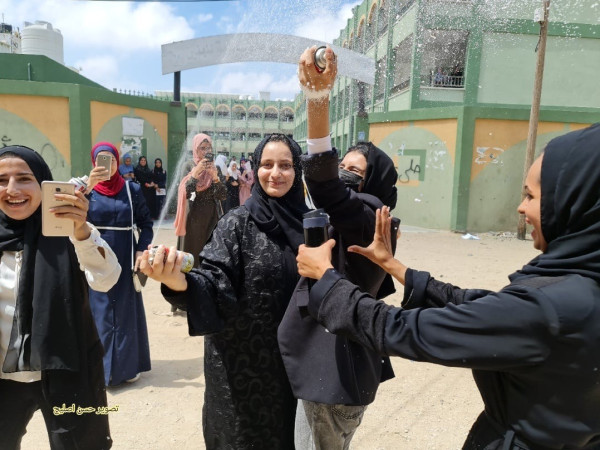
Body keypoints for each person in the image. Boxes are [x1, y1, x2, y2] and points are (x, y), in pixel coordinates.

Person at [296, 124, 600, 449]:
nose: (521, 208)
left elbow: (401, 328)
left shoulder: (551, 309)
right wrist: (394, 266)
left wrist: (326, 280)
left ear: (574, 202)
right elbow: (476, 304)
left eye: (531, 195)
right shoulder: (578, 287)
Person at [139, 133, 309, 449]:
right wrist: (179, 282)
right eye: (267, 164)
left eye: (285, 165)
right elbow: (214, 281)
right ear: (256, 168)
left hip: (295, 368)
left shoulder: (311, 226)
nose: (275, 173)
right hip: (242, 371)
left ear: (297, 170)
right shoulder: (236, 224)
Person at [278, 46, 398, 450]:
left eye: (353, 171)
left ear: (372, 183)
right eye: (341, 166)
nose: (344, 174)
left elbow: (326, 185)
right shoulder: (365, 224)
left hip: (332, 378)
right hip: (338, 376)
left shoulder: (368, 214)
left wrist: (317, 100)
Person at [0, 145, 121, 449]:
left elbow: (106, 279)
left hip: (68, 370)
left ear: (43, 183)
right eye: (1, 180)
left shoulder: (68, 230)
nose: (12, 189)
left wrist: (81, 231)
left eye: (24, 178)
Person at [86, 142, 153, 386]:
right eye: (102, 159)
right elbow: (70, 218)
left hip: (126, 254)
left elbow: (146, 224)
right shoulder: (85, 190)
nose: (108, 164)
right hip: (95, 255)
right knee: (100, 308)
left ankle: (127, 367)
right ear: (94, 162)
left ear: (118, 161)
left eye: (112, 159)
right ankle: (99, 370)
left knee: (125, 308)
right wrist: (87, 187)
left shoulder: (131, 189)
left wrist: (140, 250)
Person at [174, 134, 226, 270]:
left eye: (209, 148)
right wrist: (195, 173)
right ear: (195, 149)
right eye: (202, 148)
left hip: (211, 218)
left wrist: (215, 177)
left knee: (210, 253)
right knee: (191, 254)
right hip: (193, 217)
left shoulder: (215, 168)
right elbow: (188, 193)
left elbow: (222, 195)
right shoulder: (188, 166)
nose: (206, 151)